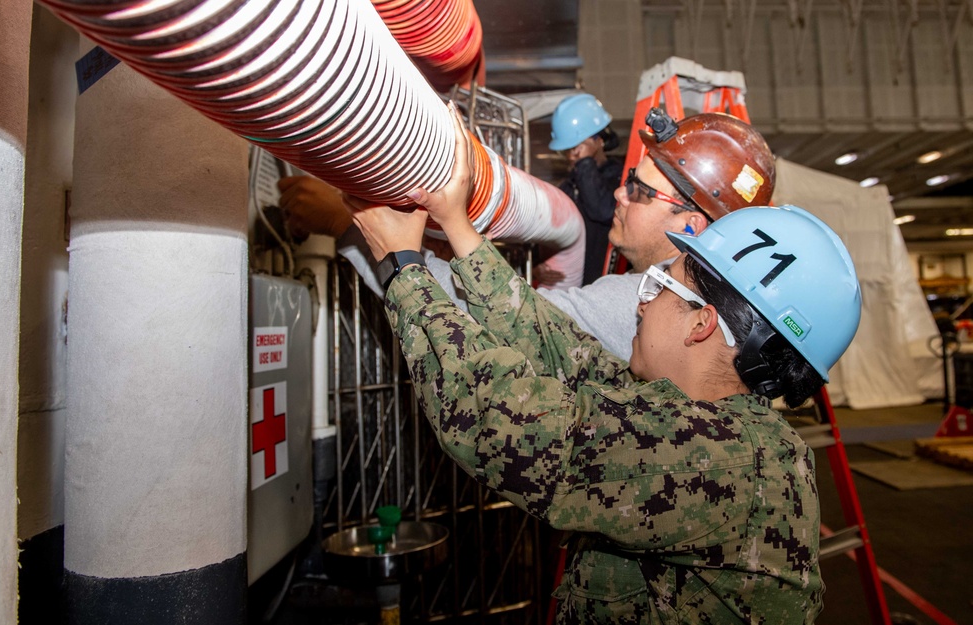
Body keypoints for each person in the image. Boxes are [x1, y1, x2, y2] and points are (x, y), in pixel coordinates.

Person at [346, 103, 862, 624]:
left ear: (701, 324)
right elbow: (558, 346)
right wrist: (457, 225)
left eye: (661, 286)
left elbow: (496, 419)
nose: (641, 301)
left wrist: (401, 267)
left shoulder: (716, 459)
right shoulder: (699, 416)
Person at [278, 105, 775, 362]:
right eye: (626, 182)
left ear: (692, 225)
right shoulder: (709, 311)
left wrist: (352, 228)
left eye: (640, 192)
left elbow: (496, 327)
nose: (620, 197)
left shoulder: (644, 309)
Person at [547, 93, 624, 286]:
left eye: (578, 147)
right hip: (575, 289)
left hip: (607, 288)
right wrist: (542, 264)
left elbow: (603, 210)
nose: (572, 155)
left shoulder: (622, 178)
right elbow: (550, 233)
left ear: (600, 140)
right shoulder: (569, 186)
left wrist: (585, 163)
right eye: (568, 150)